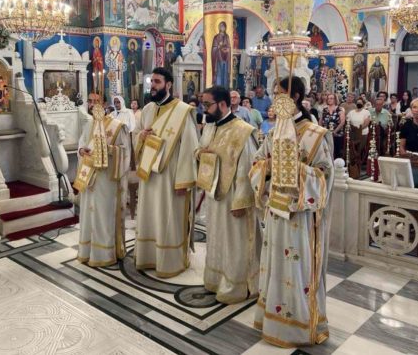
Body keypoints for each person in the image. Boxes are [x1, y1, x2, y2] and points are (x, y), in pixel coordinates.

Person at [252, 76, 334, 348]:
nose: (275, 100)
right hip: (276, 212)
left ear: (295, 97)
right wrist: (268, 167)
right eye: (274, 94)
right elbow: (257, 163)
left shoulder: (315, 134)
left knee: (298, 270)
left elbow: (324, 176)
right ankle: (273, 320)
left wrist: (295, 169)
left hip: (301, 217)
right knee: (275, 266)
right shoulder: (274, 131)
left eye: (280, 94)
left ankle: (298, 326)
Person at [196, 86, 260, 304]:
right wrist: (200, 154)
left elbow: (248, 168)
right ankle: (215, 280)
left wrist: (241, 201)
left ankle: (236, 285)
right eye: (203, 104)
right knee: (217, 239)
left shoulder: (243, 131)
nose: (204, 109)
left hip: (233, 197)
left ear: (222, 104)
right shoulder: (210, 126)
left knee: (235, 243)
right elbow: (200, 150)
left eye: (207, 104)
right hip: (214, 194)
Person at [134, 67, 199, 278]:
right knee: (149, 216)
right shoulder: (147, 109)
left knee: (167, 217)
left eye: (157, 82)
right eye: (151, 81)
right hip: (149, 174)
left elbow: (190, 148)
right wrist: (141, 136)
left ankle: (170, 261)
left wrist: (184, 181)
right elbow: (136, 134)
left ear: (168, 84)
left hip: (170, 177)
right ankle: (148, 256)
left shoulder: (182, 111)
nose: (152, 86)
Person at [75, 101, 131, 267]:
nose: (93, 107)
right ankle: (87, 251)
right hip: (89, 176)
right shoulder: (89, 124)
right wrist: (81, 150)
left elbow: (125, 152)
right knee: (88, 213)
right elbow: (82, 143)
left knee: (104, 214)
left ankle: (105, 253)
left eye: (96, 103)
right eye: (91, 104)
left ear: (104, 106)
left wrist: (108, 150)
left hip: (107, 179)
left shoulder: (118, 126)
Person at [346, 98, 370, 176]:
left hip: (362, 133)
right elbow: (348, 122)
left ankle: (356, 165)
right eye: (357, 102)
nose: (359, 103)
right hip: (353, 134)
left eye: (360, 102)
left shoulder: (366, 112)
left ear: (363, 104)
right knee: (350, 148)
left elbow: (366, 123)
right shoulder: (351, 112)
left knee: (357, 150)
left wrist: (359, 130)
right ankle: (350, 165)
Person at [320, 93, 345, 159]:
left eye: (331, 98)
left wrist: (334, 132)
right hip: (326, 133)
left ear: (335, 100)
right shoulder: (324, 109)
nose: (329, 100)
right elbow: (320, 121)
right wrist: (321, 131)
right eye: (328, 98)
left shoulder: (340, 109)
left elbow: (342, 122)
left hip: (337, 134)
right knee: (326, 152)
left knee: (336, 152)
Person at [211, 21, 231, 86]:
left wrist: (227, 49)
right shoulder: (216, 37)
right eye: (221, 26)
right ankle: (218, 87)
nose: (222, 28)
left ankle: (225, 88)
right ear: (219, 27)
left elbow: (229, 46)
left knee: (225, 73)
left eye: (223, 26)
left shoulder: (227, 36)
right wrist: (218, 46)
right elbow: (214, 48)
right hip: (219, 58)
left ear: (225, 28)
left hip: (226, 58)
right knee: (219, 73)